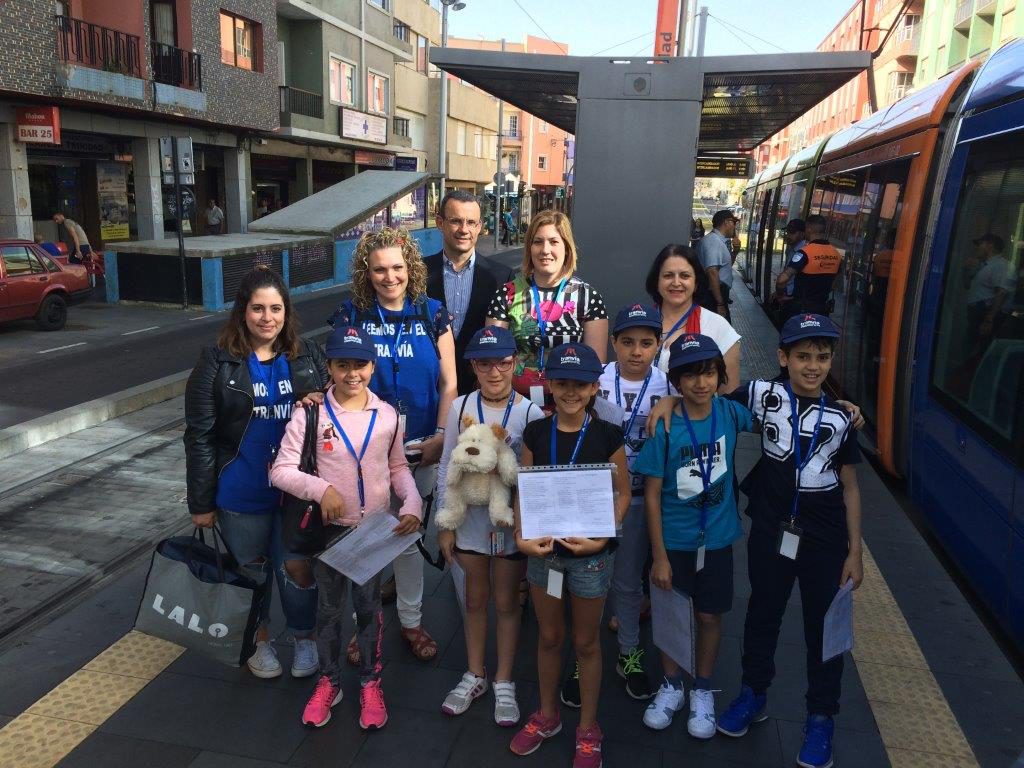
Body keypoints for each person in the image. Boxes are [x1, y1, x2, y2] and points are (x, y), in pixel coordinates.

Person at [716, 314, 863, 768]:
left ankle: (821, 716)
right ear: (783, 358)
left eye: (821, 357)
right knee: (763, 612)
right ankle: (753, 693)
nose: (813, 366)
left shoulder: (841, 417)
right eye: (802, 357)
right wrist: (668, 406)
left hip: (826, 536)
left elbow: (851, 486)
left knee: (824, 627)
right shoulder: (764, 395)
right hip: (772, 527)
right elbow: (712, 403)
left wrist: (855, 551)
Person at [271, 325, 421, 731]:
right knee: (328, 610)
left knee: (370, 610)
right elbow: (281, 470)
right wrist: (321, 490)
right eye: (342, 365)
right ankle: (329, 681)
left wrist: (413, 502)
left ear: (372, 366)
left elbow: (397, 468)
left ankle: (371, 682)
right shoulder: (311, 412)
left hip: (372, 530)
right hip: (329, 532)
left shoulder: (387, 415)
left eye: (360, 364)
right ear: (330, 368)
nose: (351, 373)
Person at [184, 266, 329, 680]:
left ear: (287, 312)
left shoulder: (306, 355)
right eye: (258, 308)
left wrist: (323, 403)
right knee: (251, 571)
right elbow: (200, 435)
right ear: (242, 312)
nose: (268, 317)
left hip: (296, 494)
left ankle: (304, 638)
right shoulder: (217, 361)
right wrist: (201, 503)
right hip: (241, 492)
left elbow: (336, 414)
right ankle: (258, 639)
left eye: (276, 308)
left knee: (297, 570)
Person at [328, 227, 457, 662]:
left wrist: (442, 435)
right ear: (367, 271)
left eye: (397, 267)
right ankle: (363, 624)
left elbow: (449, 382)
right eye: (380, 268)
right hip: (366, 453)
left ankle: (411, 621)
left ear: (411, 268)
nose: (389, 276)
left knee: (407, 537)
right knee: (367, 539)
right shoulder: (353, 314)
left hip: (420, 446)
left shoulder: (432, 312)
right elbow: (339, 377)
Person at [510, 343, 631, 767]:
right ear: (549, 385)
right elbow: (524, 488)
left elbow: (623, 492)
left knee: (585, 642)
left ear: (595, 388)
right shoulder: (537, 434)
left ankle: (588, 727)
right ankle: (547, 714)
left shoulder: (607, 435)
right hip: (544, 554)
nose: (571, 392)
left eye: (581, 385)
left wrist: (603, 536)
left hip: (591, 557)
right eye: (562, 383)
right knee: (548, 637)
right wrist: (521, 535)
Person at [634, 333, 752, 738]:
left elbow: (782, 405)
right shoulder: (665, 427)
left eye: (708, 374)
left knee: (708, 615)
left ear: (720, 377)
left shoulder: (732, 414)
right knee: (670, 615)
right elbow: (651, 496)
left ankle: (702, 687)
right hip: (675, 542)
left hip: (717, 540)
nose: (700, 383)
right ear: (677, 382)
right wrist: (660, 556)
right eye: (690, 376)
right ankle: (672, 685)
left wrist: (842, 407)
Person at [436, 326, 544, 725]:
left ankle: (503, 680)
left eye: (503, 362)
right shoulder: (460, 406)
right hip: (468, 522)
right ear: (473, 367)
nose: (495, 372)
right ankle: (475, 672)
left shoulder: (529, 411)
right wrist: (443, 525)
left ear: (515, 363)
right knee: (474, 600)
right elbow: (448, 463)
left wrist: (526, 527)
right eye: (484, 363)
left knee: (507, 602)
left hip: (507, 522)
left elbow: (532, 474)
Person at [594, 302, 670, 701]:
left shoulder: (668, 385)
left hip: (640, 498)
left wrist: (672, 402)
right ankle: (583, 655)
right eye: (627, 343)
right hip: (596, 497)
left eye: (645, 343)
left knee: (626, 580)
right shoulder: (597, 379)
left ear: (658, 345)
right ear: (613, 344)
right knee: (588, 581)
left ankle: (627, 650)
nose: (636, 351)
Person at [486, 209, 609, 409]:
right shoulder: (506, 294)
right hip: (514, 405)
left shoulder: (587, 297)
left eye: (553, 242)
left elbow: (595, 366)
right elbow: (493, 359)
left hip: (570, 407)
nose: (545, 250)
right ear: (529, 248)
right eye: (538, 242)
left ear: (567, 248)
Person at [426, 191, 515, 395]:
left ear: (480, 227)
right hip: (428, 388)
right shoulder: (418, 273)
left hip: (480, 388)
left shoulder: (501, 276)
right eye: (456, 221)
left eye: (471, 222)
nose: (464, 230)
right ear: (440, 223)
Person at [646, 244, 740, 393]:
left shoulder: (719, 328)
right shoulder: (638, 322)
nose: (676, 282)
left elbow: (728, 399)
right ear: (657, 282)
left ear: (696, 283)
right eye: (668, 275)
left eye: (685, 276)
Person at [775, 214, 842, 318]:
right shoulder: (836, 254)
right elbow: (834, 285)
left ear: (809, 229)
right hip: (821, 311)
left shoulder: (804, 253)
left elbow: (782, 280)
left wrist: (781, 295)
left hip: (800, 311)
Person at [964, 232, 1014, 342]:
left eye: (980, 244)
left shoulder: (1000, 265)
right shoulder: (985, 265)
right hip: (976, 313)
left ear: (990, 245)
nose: (977, 247)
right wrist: (967, 269)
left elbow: (1001, 293)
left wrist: (989, 319)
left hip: (984, 313)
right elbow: (967, 286)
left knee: (978, 347)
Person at [698, 210, 739, 322]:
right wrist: (719, 303)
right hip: (713, 297)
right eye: (733, 222)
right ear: (727, 222)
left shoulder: (718, 241)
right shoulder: (713, 242)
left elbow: (726, 266)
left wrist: (735, 252)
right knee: (723, 334)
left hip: (717, 295)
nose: (735, 226)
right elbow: (712, 272)